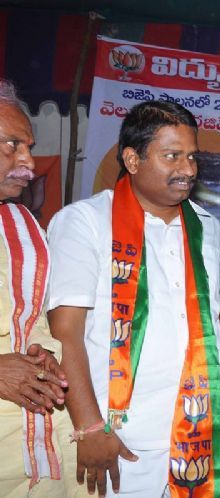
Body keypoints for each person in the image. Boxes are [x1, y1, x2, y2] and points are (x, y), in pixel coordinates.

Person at [47, 101, 220, 497]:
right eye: (172, 156)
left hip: (205, 428)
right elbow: (65, 333)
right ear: (132, 160)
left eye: (192, 157)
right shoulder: (85, 221)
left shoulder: (208, 228)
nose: (188, 169)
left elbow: (218, 328)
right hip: (122, 436)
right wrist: (89, 426)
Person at [0, 79, 77, 497]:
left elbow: (34, 316)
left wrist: (44, 353)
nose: (28, 161)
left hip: (34, 440)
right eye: (12, 145)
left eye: (28, 146)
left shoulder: (23, 224)